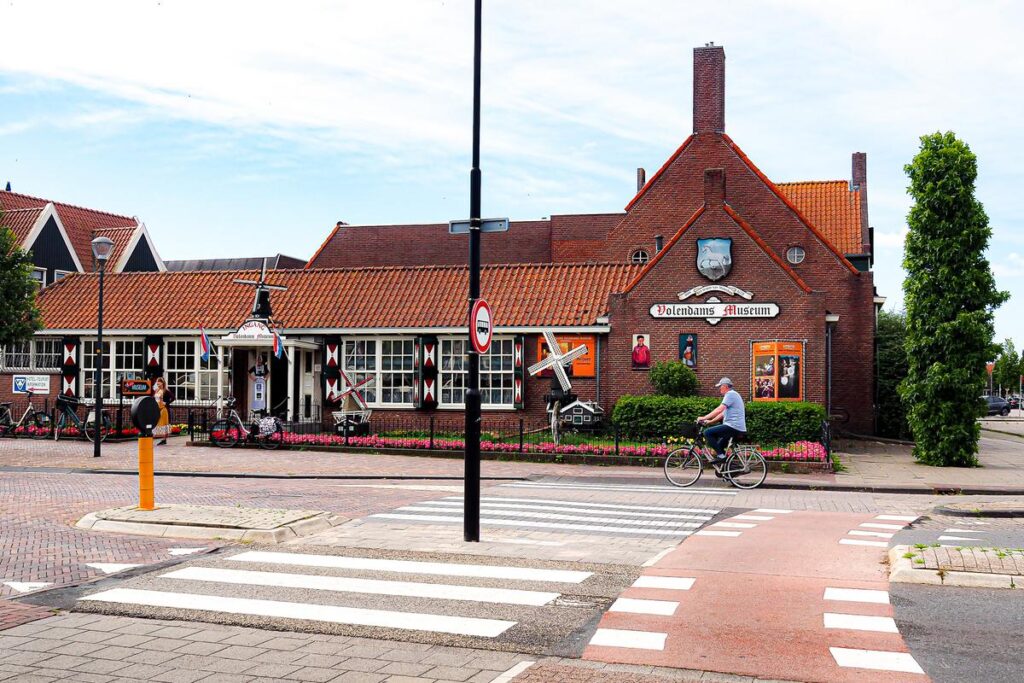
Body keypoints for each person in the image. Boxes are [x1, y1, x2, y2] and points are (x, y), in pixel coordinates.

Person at [698, 377, 747, 464]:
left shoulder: (730, 394)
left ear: (725, 386)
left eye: (720, 386)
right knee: (719, 446)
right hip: (735, 426)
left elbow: (719, 409)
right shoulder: (733, 395)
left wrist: (704, 417)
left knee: (707, 433)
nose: (719, 389)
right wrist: (710, 422)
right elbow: (722, 414)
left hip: (733, 426)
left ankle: (722, 457)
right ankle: (728, 470)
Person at [152, 376, 172, 445]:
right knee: (156, 422)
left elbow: (173, 398)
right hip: (157, 408)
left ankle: (164, 439)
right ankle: (153, 436)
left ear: (162, 383)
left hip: (163, 409)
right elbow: (154, 398)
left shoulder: (166, 391)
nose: (157, 385)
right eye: (157, 384)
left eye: (159, 383)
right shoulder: (157, 390)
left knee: (164, 424)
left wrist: (166, 403)